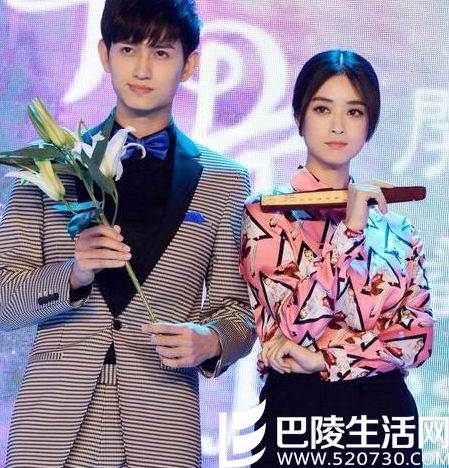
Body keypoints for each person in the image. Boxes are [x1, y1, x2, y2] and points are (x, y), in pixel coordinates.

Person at [0, 1, 255, 467]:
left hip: (162, 424)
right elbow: (3, 301)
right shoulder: (48, 166)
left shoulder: (224, 180)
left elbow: (237, 310)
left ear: (189, 64)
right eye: (128, 49)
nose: (141, 68)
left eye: (161, 52)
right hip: (51, 425)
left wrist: (210, 339)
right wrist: (73, 274)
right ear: (104, 54)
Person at [239, 50, 434, 467]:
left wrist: (326, 359)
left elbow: (417, 340)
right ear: (299, 116)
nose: (338, 126)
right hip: (299, 411)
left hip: (385, 415)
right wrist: (349, 233)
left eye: (354, 111)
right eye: (323, 108)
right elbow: (293, 327)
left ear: (370, 123)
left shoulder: (396, 228)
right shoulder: (267, 214)